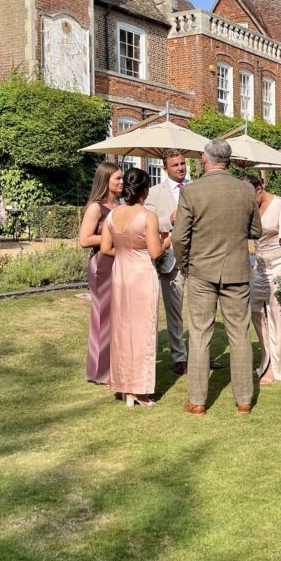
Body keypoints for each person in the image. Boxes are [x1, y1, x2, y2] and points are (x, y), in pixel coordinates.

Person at [172, 138, 262, 416]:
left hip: (200, 270)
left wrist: (184, 264)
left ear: (204, 158)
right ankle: (244, 400)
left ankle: (197, 401)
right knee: (239, 334)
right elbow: (256, 231)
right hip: (236, 269)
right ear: (229, 161)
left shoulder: (191, 191)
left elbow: (178, 237)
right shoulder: (246, 190)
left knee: (200, 334)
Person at [144, 150, 224, 376]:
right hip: (171, 261)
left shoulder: (197, 187)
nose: (180, 168)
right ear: (165, 169)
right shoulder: (154, 193)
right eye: (175, 165)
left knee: (203, 311)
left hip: (200, 258)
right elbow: (146, 222)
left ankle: (202, 355)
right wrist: (168, 220)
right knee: (175, 312)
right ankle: (179, 357)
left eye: (182, 164)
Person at [100, 167, 171, 407]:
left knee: (122, 331)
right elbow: (155, 252)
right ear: (145, 190)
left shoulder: (112, 215)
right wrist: (167, 241)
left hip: (120, 274)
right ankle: (139, 391)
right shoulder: (147, 216)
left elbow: (106, 249)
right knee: (142, 332)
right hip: (141, 276)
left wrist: (125, 252)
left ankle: (123, 385)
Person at [243, 175, 281, 385]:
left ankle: (278, 368)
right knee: (254, 310)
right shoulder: (250, 207)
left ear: (260, 188)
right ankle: (267, 359)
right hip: (259, 268)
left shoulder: (280, 205)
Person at [79, 162, 123, 384]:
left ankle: (111, 366)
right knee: (102, 316)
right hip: (101, 265)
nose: (122, 182)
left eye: (122, 178)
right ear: (106, 181)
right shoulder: (96, 207)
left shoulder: (120, 205)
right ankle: (99, 371)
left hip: (118, 264)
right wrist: (114, 237)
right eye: (117, 179)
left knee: (115, 317)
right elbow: (84, 239)